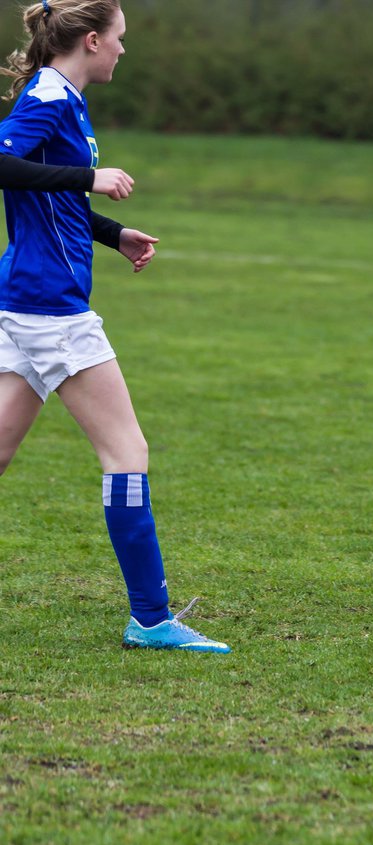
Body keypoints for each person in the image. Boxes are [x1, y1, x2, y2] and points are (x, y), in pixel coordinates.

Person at [0, 0, 229, 653]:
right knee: (126, 453)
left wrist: (112, 233)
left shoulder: (65, 99)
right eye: (121, 39)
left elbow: (46, 198)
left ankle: (151, 618)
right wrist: (90, 178)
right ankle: (152, 619)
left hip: (23, 299)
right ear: (93, 40)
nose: (125, 50)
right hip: (53, 309)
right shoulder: (48, 96)